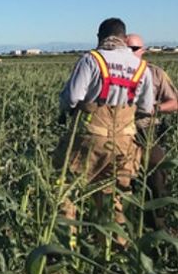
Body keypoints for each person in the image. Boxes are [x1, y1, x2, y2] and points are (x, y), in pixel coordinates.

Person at [54, 18, 154, 247]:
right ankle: (112, 249)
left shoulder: (92, 59)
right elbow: (146, 109)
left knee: (67, 189)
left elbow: (72, 97)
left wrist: (65, 110)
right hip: (125, 141)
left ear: (100, 37)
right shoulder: (141, 67)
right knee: (115, 195)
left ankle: (65, 248)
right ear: (124, 39)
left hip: (89, 135)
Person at [126, 33, 178, 229]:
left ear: (143, 51)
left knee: (157, 171)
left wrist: (154, 107)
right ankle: (124, 228)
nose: (130, 53)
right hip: (123, 131)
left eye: (134, 49)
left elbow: (174, 102)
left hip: (148, 130)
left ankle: (158, 227)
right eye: (126, 49)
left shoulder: (156, 73)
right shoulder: (118, 73)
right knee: (120, 179)